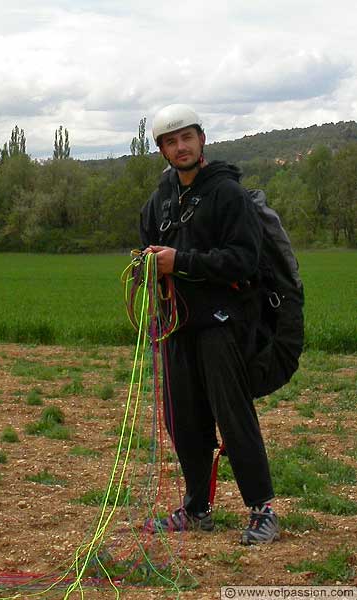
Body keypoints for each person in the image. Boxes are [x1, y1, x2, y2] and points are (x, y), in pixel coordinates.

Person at [140, 104, 280, 545]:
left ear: (202, 140)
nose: (180, 147)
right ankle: (197, 509)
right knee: (184, 419)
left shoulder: (227, 195)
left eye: (187, 138)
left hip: (223, 324)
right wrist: (148, 266)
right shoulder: (160, 198)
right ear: (162, 149)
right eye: (170, 141)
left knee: (233, 417)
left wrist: (180, 261)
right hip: (176, 324)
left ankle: (263, 511)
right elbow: (149, 244)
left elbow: (244, 259)